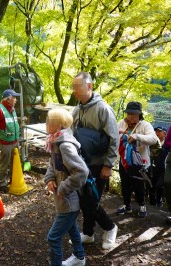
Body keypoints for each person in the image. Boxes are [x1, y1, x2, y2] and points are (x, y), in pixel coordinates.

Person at [71, 72, 119, 250]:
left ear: (89, 86)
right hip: (82, 162)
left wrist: (108, 165)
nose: (74, 90)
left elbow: (114, 138)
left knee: (91, 201)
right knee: (84, 199)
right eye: (73, 87)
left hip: (99, 164)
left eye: (77, 86)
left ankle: (110, 227)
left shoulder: (103, 109)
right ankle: (89, 233)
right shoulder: (77, 109)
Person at [44, 108, 87, 266]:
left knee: (53, 238)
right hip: (64, 202)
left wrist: (62, 188)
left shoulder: (65, 145)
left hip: (69, 201)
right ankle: (79, 257)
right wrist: (49, 178)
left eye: (49, 121)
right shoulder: (55, 140)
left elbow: (82, 172)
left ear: (58, 125)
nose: (46, 123)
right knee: (72, 227)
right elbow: (53, 164)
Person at [117, 101, 157, 217]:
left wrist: (136, 136)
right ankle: (126, 205)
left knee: (138, 184)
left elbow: (153, 139)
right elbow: (114, 138)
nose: (131, 117)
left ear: (139, 114)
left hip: (140, 161)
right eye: (129, 114)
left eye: (134, 114)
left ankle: (142, 205)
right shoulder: (121, 123)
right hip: (124, 160)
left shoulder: (145, 125)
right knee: (125, 183)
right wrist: (120, 133)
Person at [0, 89, 21, 193]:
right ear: (8, 99)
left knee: (14, 162)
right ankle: (1, 183)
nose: (16, 100)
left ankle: (13, 180)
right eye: (14, 98)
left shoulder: (12, 108)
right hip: (6, 142)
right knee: (5, 163)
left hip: (14, 140)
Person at [147, 126, 168, 207]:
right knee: (151, 185)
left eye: (159, 131)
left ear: (165, 134)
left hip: (164, 169)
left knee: (159, 185)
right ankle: (152, 203)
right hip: (152, 167)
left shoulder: (167, 144)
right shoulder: (152, 142)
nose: (157, 133)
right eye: (156, 131)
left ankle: (159, 201)